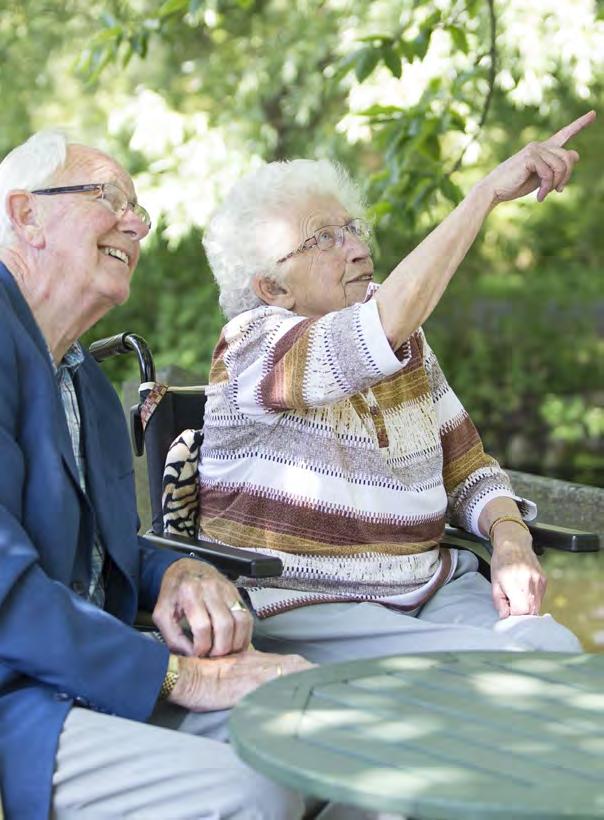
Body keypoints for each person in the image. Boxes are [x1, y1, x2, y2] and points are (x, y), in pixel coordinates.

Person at [196, 112, 596, 664]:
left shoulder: (400, 340)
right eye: (325, 239)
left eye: (353, 228)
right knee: (517, 672)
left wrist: (510, 535)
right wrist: (483, 196)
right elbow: (375, 331)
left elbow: (467, 468)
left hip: (429, 592)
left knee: (555, 651)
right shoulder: (252, 347)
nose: (357, 248)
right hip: (310, 611)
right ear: (273, 286)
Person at [0, 130, 311, 820]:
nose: (136, 223)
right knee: (252, 790)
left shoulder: (82, 379)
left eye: (139, 207)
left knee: (321, 735)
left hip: (90, 672)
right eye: (109, 197)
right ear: (25, 215)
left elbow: (88, 545)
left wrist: (171, 574)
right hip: (21, 700)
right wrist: (180, 675)